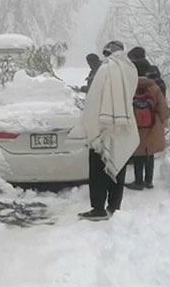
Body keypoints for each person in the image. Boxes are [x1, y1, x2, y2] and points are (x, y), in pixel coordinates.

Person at [69, 40, 140, 221]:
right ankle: (115, 207)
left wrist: (89, 121)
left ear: (109, 53)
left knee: (98, 168)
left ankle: (98, 208)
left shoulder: (106, 69)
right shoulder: (132, 69)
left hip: (103, 125)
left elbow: (94, 98)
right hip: (125, 124)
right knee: (119, 164)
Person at [125, 59, 169, 190]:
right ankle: (148, 181)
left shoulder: (130, 86)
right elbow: (163, 108)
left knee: (138, 153)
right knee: (149, 152)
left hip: (135, 124)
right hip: (152, 124)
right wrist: (161, 121)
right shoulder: (154, 87)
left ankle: (138, 182)